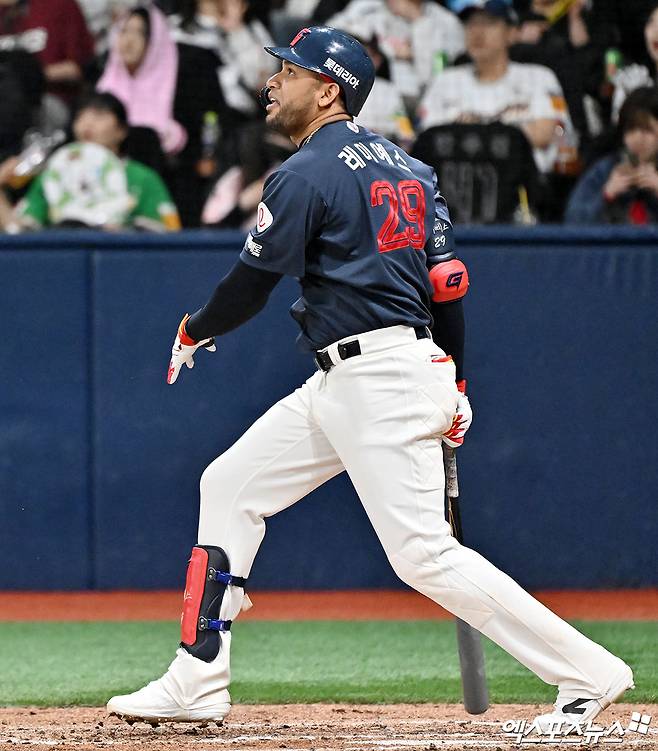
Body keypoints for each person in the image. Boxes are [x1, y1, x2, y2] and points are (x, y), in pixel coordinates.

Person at [106, 25, 633, 736]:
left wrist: (195, 328)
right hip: (361, 376)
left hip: (378, 380)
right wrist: (457, 382)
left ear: (329, 90)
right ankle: (196, 679)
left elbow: (252, 284)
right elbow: (448, 284)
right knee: (228, 485)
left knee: (423, 555)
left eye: (290, 72)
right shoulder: (411, 169)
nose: (273, 82)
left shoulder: (305, 171)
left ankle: (588, 672)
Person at [417, 0, 573, 174]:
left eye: (489, 23)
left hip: (523, 182)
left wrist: (468, 130)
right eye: (471, 24)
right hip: (454, 182)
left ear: (511, 33)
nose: (477, 32)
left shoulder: (539, 77)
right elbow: (428, 140)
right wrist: (509, 130)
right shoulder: (445, 81)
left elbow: (543, 134)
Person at [5, 92, 181, 231]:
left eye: (99, 116)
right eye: (81, 117)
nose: (87, 124)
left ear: (121, 131)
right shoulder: (54, 174)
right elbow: (20, 231)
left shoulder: (143, 178)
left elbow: (168, 235)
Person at [328, 0, 464, 109]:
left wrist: (417, 19)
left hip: (422, 101)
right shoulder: (366, 6)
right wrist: (380, 49)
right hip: (368, 94)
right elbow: (330, 39)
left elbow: (436, 77)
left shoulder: (447, 22)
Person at [97, 5, 187, 155]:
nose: (129, 41)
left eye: (140, 33)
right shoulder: (101, 86)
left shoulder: (179, 92)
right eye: (124, 31)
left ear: (157, 41)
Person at [565, 86, 658, 223]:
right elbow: (572, 221)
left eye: (647, 130)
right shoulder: (605, 171)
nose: (637, 139)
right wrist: (606, 194)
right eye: (631, 130)